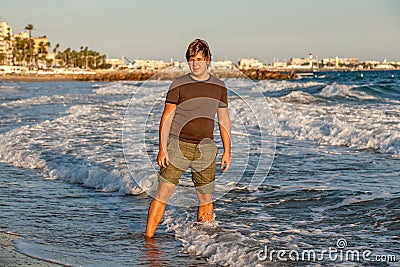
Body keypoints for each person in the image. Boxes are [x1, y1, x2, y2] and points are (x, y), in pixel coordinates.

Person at [145, 39, 231, 238]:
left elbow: (224, 120)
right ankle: (148, 241)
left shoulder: (219, 86)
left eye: (200, 59)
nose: (196, 63)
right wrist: (162, 148)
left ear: (208, 59)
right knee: (163, 193)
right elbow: (167, 117)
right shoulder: (179, 84)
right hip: (177, 145)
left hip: (206, 149)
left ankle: (203, 244)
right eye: (192, 59)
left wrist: (227, 150)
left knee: (205, 197)